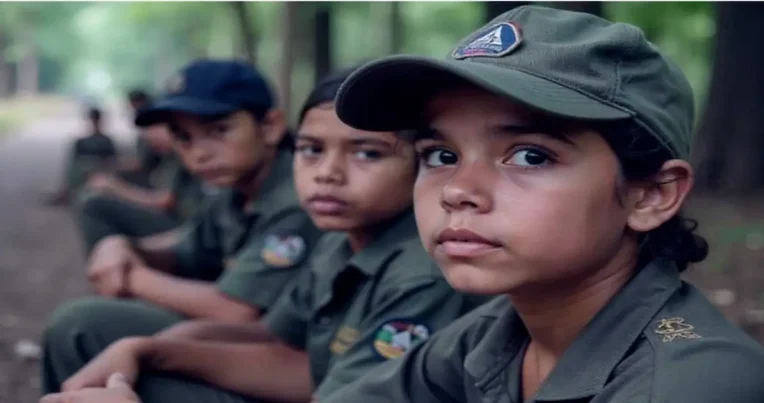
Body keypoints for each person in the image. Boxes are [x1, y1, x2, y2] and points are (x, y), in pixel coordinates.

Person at [320, 5, 764, 403]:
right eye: (441, 156)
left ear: (653, 193)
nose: (456, 191)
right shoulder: (503, 329)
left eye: (531, 156)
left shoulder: (691, 384)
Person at [39, 67, 489, 403]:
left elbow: (248, 323)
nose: (327, 174)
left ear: (425, 164)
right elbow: (288, 350)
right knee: (115, 355)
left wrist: (143, 310)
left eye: (367, 153)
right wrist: (150, 350)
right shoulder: (339, 237)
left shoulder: (423, 274)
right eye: (311, 150)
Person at [41, 59, 325, 395]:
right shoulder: (235, 190)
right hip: (242, 341)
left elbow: (236, 313)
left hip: (277, 363)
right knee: (88, 329)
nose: (199, 152)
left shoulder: (298, 197)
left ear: (270, 126)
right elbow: (182, 248)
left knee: (79, 326)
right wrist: (123, 246)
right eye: (184, 137)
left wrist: (130, 276)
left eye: (219, 130)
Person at [74, 119, 209, 254]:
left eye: (155, 128)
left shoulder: (181, 155)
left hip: (182, 224)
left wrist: (115, 187)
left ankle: (111, 261)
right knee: (92, 193)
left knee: (94, 205)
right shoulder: (164, 154)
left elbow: (164, 201)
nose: (149, 136)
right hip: (174, 218)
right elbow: (140, 166)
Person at [45, 107, 117, 206]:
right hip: (82, 167)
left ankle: (69, 193)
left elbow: (112, 160)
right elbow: (73, 160)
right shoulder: (81, 141)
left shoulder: (106, 141)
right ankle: (68, 191)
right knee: (76, 167)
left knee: (82, 168)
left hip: (99, 167)